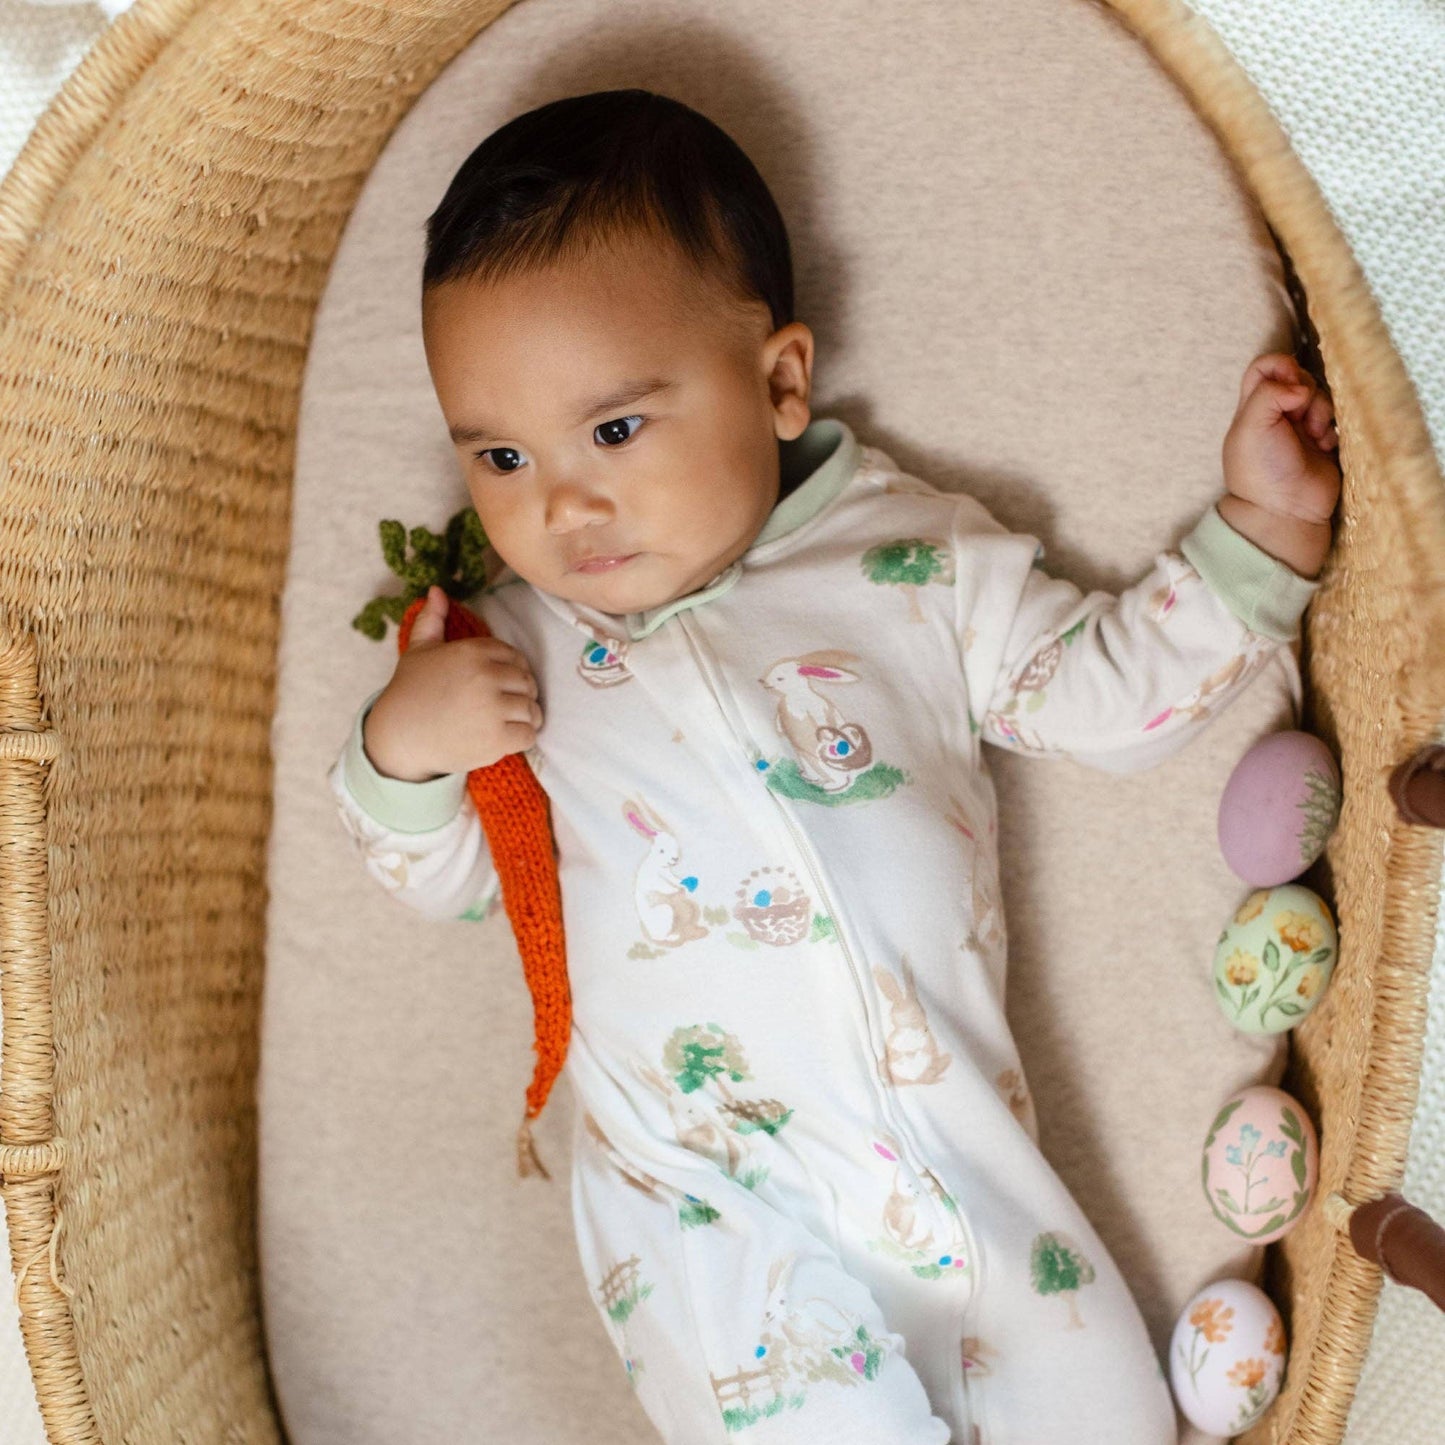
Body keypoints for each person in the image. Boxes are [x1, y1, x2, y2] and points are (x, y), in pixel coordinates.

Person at [327, 88, 1340, 1445]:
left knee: (1101, 1409)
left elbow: (1099, 694)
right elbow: (459, 879)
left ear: (779, 381)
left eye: (615, 430)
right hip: (702, 1198)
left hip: (964, 1166)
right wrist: (406, 745)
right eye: (501, 457)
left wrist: (1257, 535)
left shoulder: (905, 560)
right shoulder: (512, 654)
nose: (562, 504)